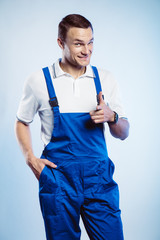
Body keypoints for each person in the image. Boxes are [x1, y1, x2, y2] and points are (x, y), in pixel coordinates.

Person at [15, 14, 129, 240]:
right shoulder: (38, 80)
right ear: (61, 43)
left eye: (91, 42)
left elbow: (124, 133)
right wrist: (30, 158)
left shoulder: (105, 79)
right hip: (59, 180)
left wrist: (111, 116)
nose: (87, 50)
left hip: (99, 179)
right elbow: (22, 121)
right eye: (78, 43)